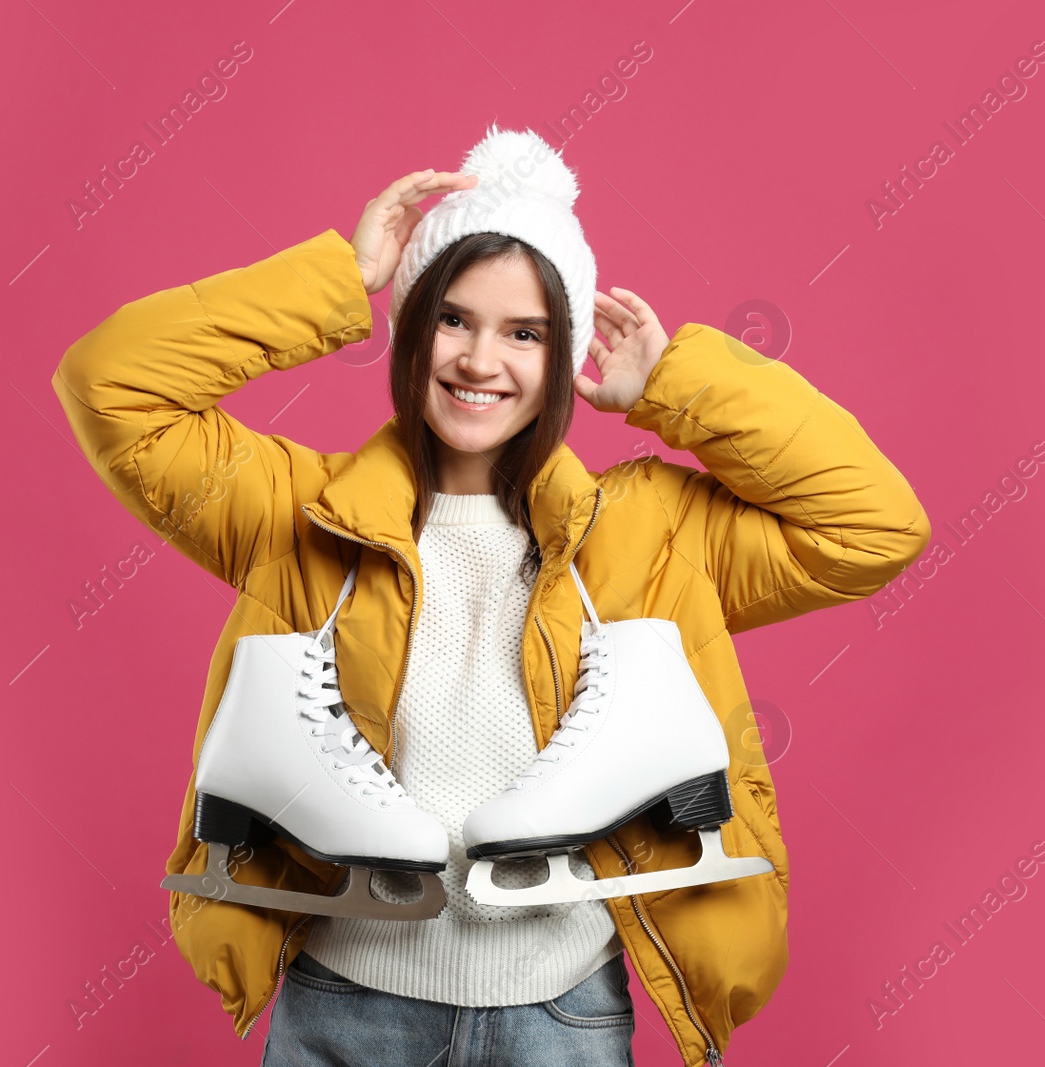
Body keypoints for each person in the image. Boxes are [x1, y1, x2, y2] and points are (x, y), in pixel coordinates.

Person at [51, 125, 931, 1067]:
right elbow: (109, 387)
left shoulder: (651, 531)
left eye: (525, 333)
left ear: (564, 353)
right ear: (413, 320)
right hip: (349, 1007)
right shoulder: (297, 513)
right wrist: (338, 283)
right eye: (454, 319)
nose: (481, 360)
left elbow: (875, 525)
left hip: (563, 1016)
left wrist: (676, 388)